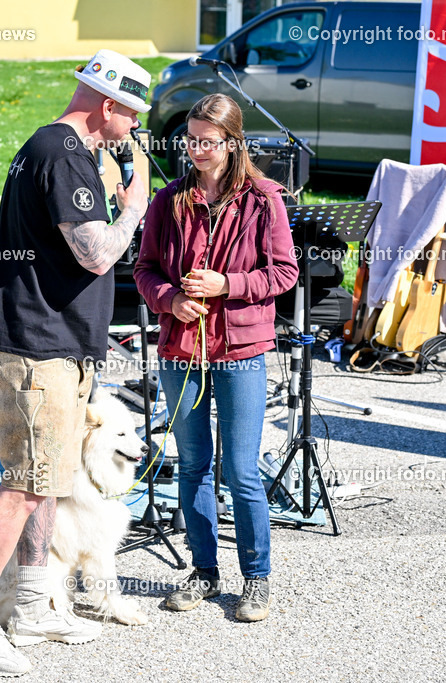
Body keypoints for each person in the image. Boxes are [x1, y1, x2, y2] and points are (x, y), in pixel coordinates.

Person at [0, 50, 150, 677]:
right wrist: (134, 205)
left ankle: (32, 605)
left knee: (49, 480)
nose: (136, 130)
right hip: (35, 350)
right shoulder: (62, 152)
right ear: (108, 105)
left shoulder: (63, 150)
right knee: (25, 485)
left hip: (58, 343)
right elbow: (93, 254)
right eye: (132, 117)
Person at [133, 93, 298, 622]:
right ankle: (204, 572)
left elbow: (284, 274)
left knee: (242, 471)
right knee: (193, 466)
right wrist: (169, 300)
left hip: (242, 350)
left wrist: (227, 283)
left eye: (208, 141)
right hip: (181, 349)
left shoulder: (265, 199)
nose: (197, 149)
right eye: (191, 140)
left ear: (232, 142)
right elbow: (145, 269)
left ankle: (257, 579)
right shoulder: (168, 200)